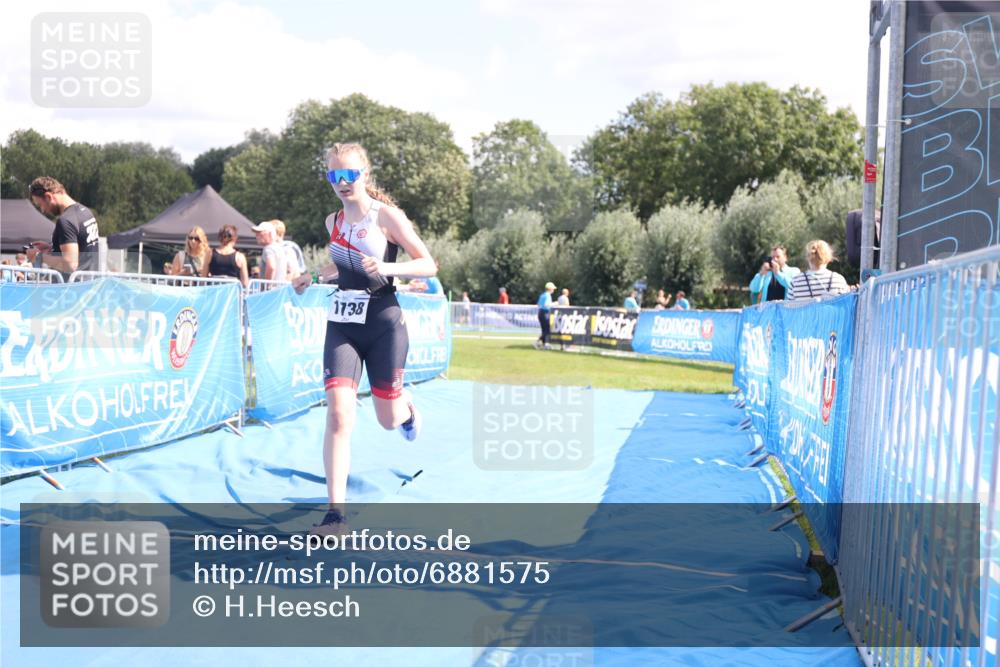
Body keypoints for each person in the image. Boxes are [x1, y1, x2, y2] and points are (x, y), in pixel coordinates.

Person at [291, 142, 437, 531]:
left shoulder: (388, 217)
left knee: (388, 419)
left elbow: (429, 264)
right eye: (334, 176)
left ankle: (406, 409)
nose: (342, 182)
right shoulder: (331, 222)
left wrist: (388, 266)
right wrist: (316, 276)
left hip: (383, 321)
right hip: (343, 323)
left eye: (349, 175)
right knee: (339, 414)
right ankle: (335, 512)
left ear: (365, 175)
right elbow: (344, 265)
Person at [25, 176, 100, 277]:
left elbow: (70, 264)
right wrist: (52, 247)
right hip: (89, 283)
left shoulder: (65, 221)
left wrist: (38, 257)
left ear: (48, 197)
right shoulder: (85, 212)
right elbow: (82, 248)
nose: (43, 210)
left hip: (72, 289)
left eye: (40, 205)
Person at [534, 281, 556, 350]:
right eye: (553, 289)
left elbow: (538, 304)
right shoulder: (547, 295)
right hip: (545, 313)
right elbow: (547, 304)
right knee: (547, 329)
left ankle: (544, 344)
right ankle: (543, 343)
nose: (553, 290)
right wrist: (554, 304)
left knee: (544, 329)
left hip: (540, 312)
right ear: (550, 289)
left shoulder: (542, 295)